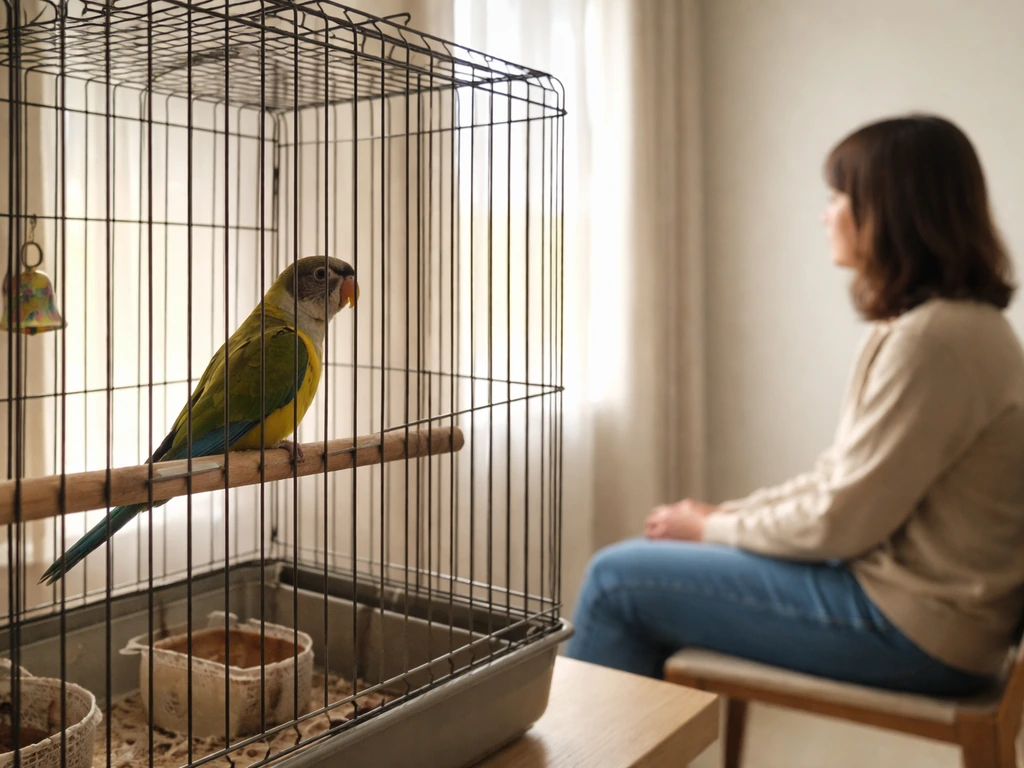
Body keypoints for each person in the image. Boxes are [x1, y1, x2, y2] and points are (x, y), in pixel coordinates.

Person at [564, 114, 1024, 696]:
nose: (825, 213)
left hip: (918, 630)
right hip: (938, 617)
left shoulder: (931, 341)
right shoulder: (959, 328)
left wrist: (715, 530)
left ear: (888, 209)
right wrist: (721, 518)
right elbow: (839, 480)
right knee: (637, 573)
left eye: (838, 196)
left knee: (614, 581)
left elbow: (840, 521)